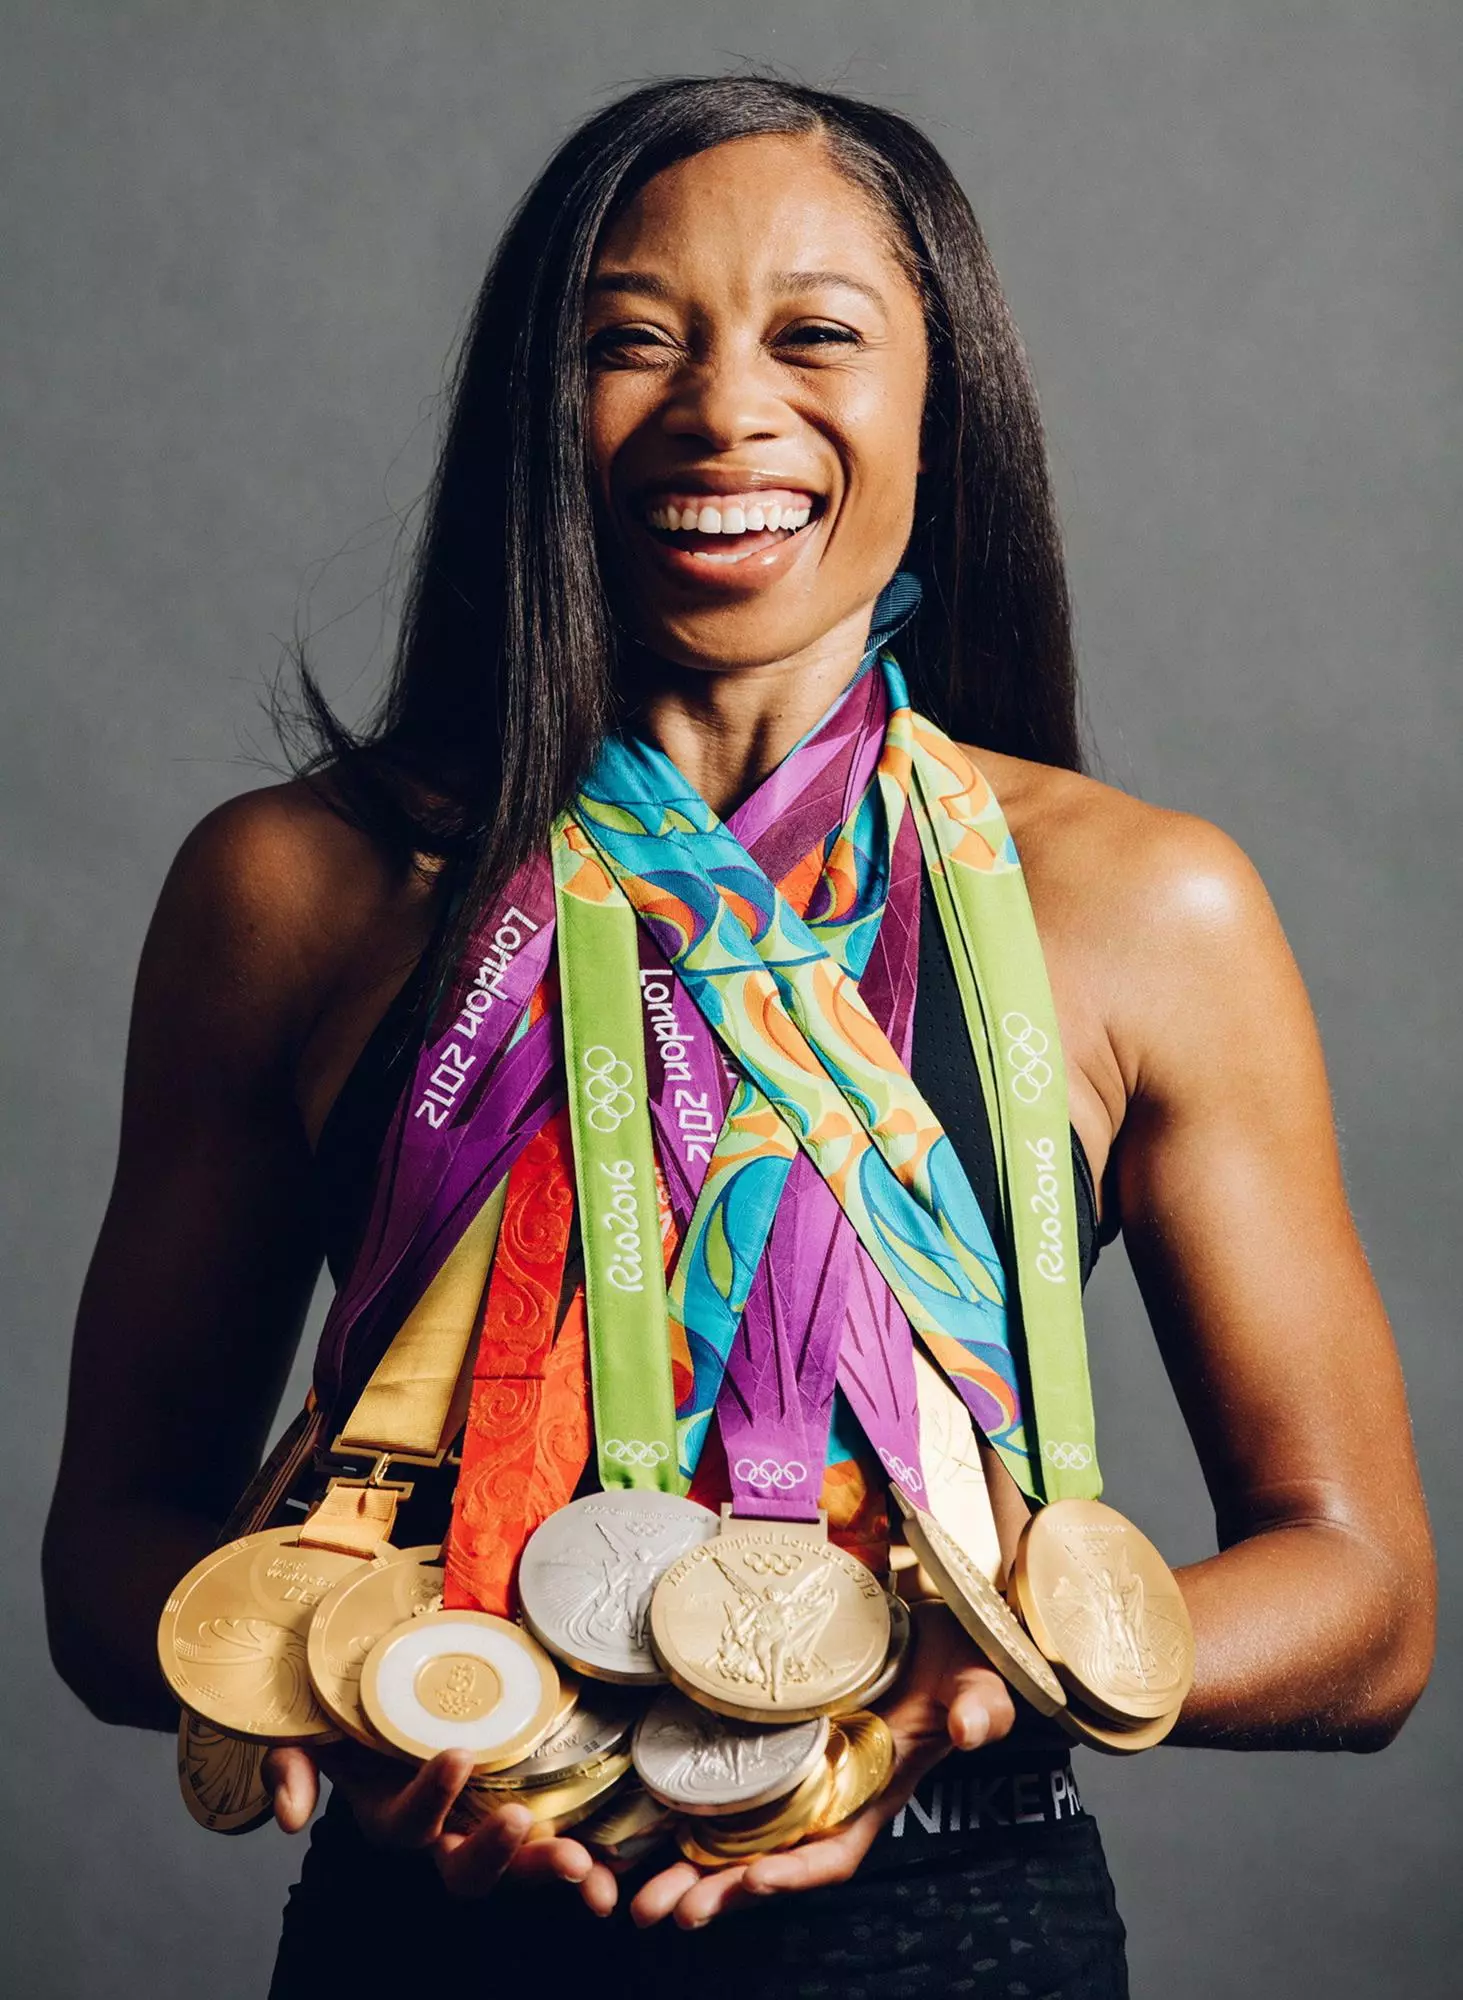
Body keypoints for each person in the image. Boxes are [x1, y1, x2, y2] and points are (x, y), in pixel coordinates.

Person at [43, 74, 1434, 2000]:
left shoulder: (1139, 905)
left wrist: (964, 1687)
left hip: (958, 1929)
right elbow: (105, 1568)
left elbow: (1364, 1612)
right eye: (633, 340)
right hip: (427, 1926)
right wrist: (325, 1693)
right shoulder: (298, 887)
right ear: (544, 409)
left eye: (817, 335)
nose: (723, 407)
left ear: (939, 401)